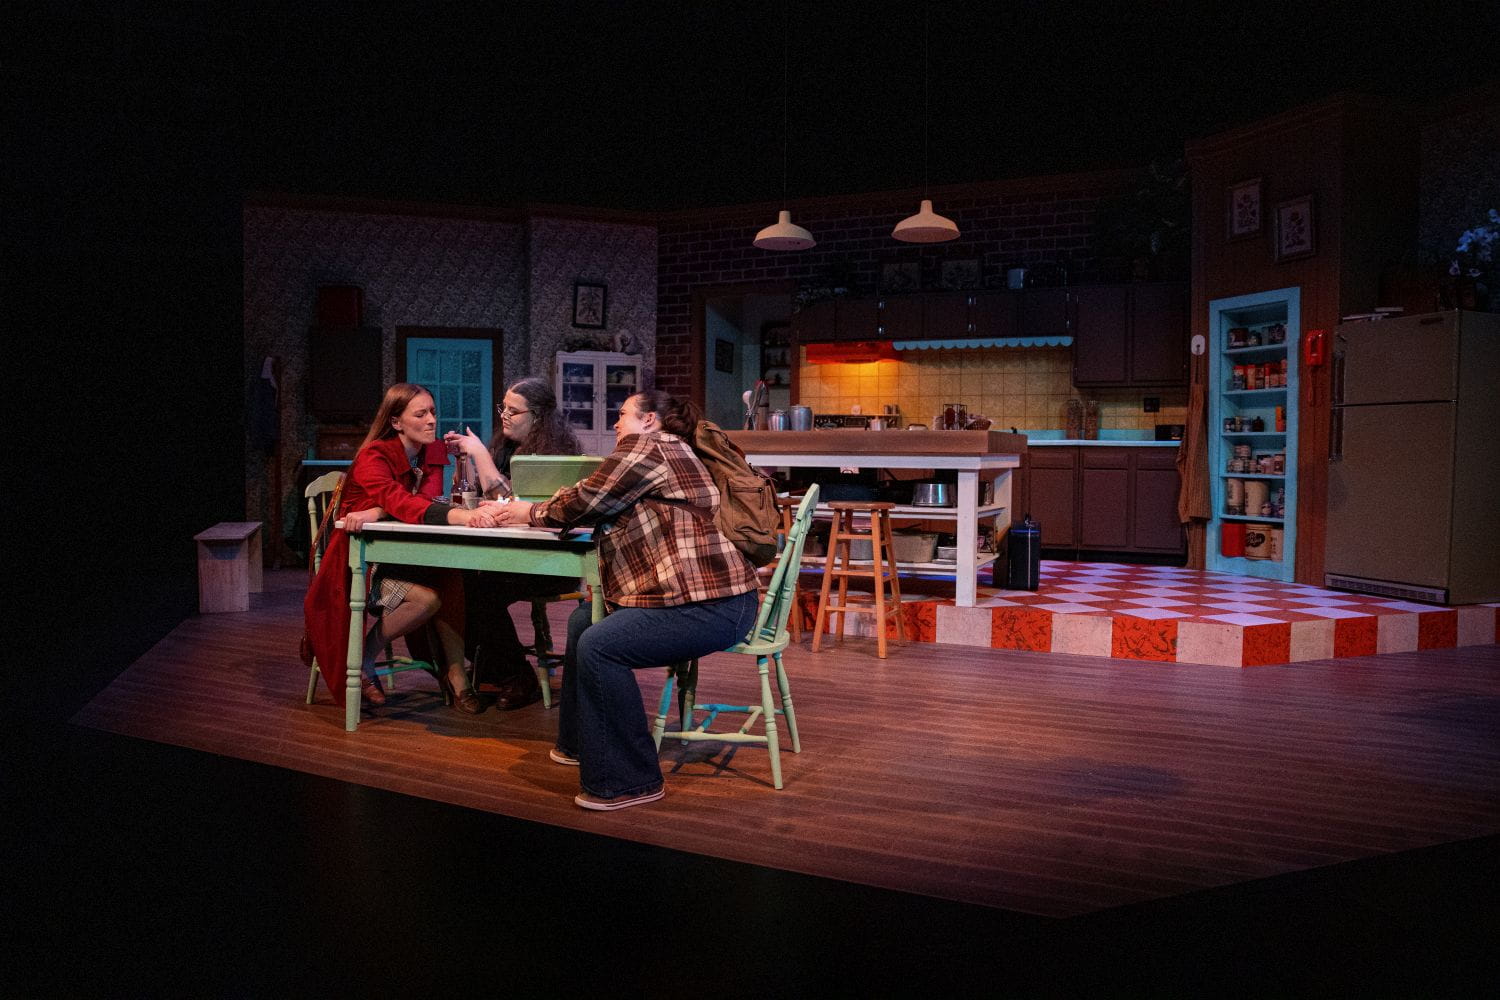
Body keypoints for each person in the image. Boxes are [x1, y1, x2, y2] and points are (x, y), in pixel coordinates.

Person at [489, 390, 760, 810]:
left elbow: (587, 499)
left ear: (649, 419)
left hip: (712, 604)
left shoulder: (649, 446)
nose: (616, 423)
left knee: (600, 646)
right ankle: (579, 744)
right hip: (707, 598)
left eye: (622, 414)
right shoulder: (672, 450)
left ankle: (630, 781)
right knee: (583, 621)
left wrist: (529, 513)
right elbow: (597, 495)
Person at [304, 382, 501, 715]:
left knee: (452, 573)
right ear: (396, 422)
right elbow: (402, 502)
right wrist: (463, 517)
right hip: (363, 563)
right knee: (429, 598)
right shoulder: (373, 456)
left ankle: (457, 675)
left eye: (433, 412)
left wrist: (379, 510)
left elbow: (423, 499)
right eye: (420, 414)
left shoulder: (432, 450)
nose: (431, 420)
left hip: (405, 550)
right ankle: (365, 655)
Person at [443, 377, 583, 709]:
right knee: (459, 583)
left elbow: (513, 503)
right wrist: (466, 464)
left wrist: (479, 453)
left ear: (537, 416)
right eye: (502, 408)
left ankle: (516, 675)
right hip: (508, 556)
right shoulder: (505, 450)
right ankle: (499, 669)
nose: (504, 415)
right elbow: (483, 500)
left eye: (513, 410)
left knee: (481, 590)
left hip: (550, 562)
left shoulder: (555, 456)